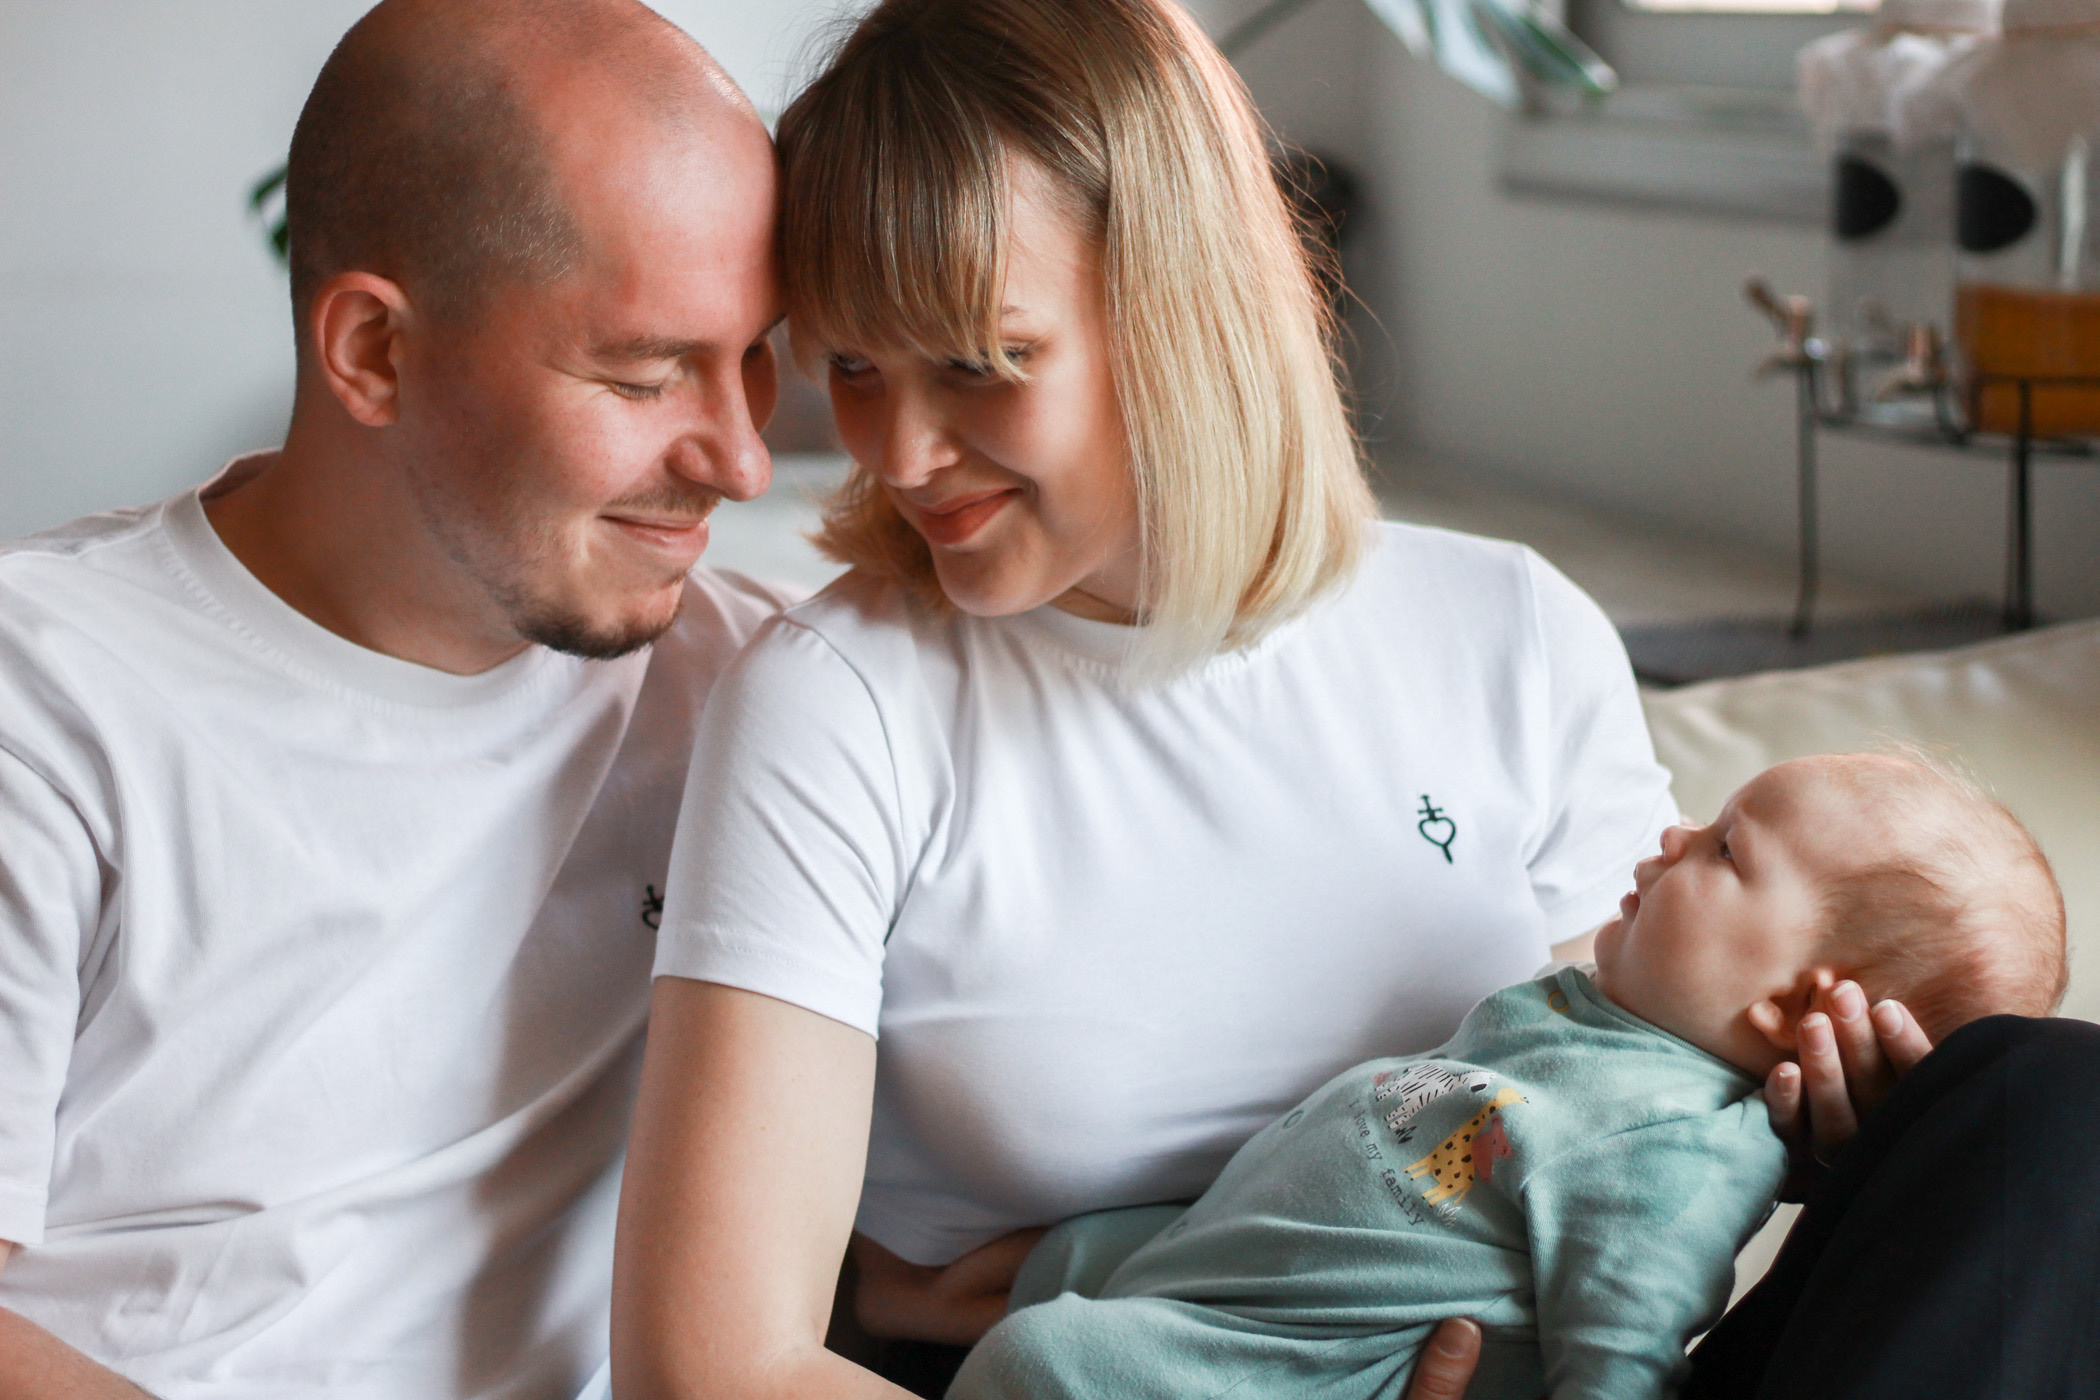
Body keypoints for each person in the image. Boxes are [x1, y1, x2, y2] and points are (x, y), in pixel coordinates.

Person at [606, 1, 1700, 1396]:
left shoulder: (1516, 634)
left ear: (1184, 306)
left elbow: (1630, 1125)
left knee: (2034, 1119)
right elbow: (713, 1369)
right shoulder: (837, 706)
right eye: (856, 366)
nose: (900, 451)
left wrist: (1812, 1095)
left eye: (979, 362)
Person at [0, 2, 789, 1396]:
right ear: (371, 352)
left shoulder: (751, 694)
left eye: (756, 361)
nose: (737, 460)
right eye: (643, 373)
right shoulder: (45, 702)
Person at [948, 753, 2069, 1400]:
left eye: (1727, 848)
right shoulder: (1595, 1011)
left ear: (1788, 1004)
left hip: (1323, 1360)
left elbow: (1623, 1349)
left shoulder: (1681, 1144)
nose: (1676, 834)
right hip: (1247, 1262)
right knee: (1068, 1258)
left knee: (1042, 1360)